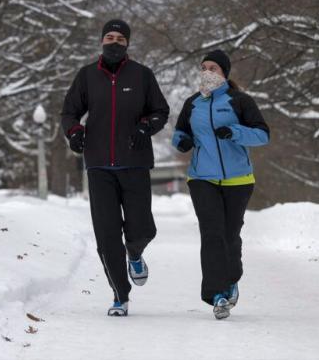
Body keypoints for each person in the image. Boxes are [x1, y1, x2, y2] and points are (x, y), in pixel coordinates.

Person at [61, 19, 170, 317]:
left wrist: (146, 127)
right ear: (101, 41)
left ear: (127, 44)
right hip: (98, 166)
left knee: (142, 227)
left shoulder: (142, 75)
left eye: (120, 39)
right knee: (107, 235)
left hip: (134, 163)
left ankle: (135, 252)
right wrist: (74, 132)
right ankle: (119, 296)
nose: (114, 42)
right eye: (109, 37)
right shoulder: (86, 77)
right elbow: (69, 111)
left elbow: (161, 110)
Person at [172, 49, 270, 320]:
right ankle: (217, 295)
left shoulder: (240, 100)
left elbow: (263, 135)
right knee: (212, 233)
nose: (207, 72)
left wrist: (235, 132)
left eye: (212, 68)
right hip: (202, 178)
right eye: (203, 67)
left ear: (224, 72)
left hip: (238, 179)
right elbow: (180, 133)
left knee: (230, 234)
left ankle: (231, 279)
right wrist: (182, 142)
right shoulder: (192, 103)